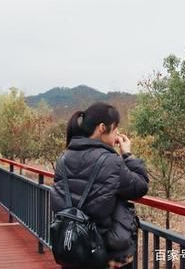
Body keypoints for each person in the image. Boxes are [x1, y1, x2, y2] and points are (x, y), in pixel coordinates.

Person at [51, 102, 149, 269]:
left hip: (73, 247)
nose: (117, 133)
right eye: (116, 128)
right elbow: (140, 186)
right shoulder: (111, 161)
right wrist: (128, 154)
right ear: (102, 128)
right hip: (102, 253)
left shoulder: (63, 158)